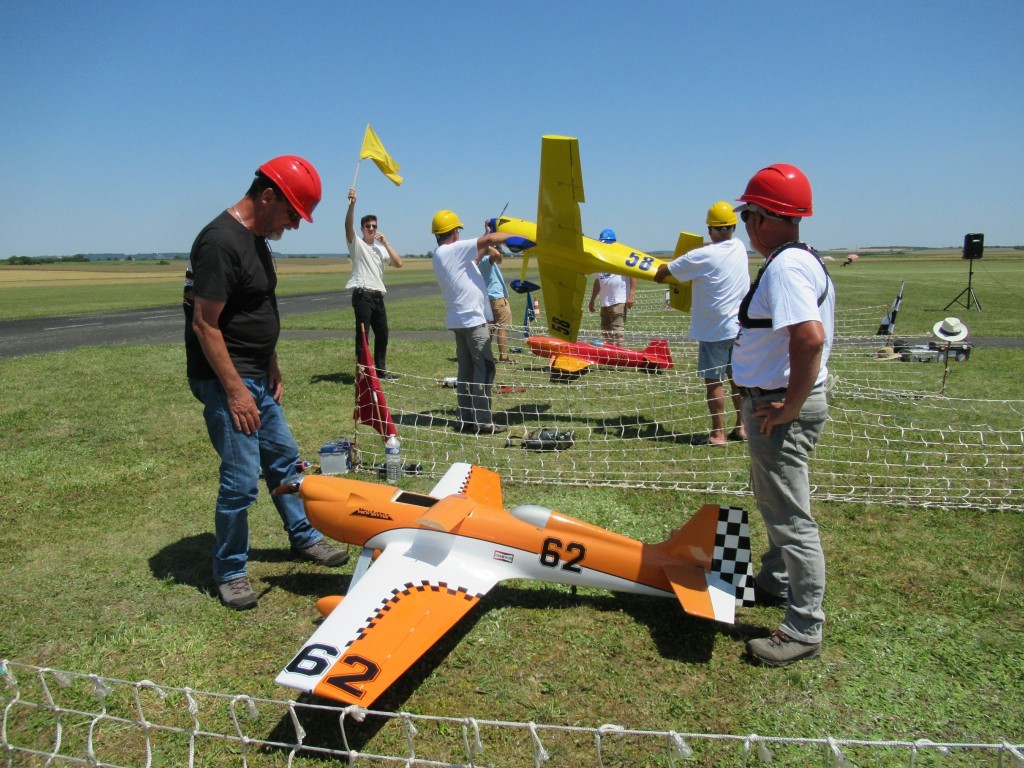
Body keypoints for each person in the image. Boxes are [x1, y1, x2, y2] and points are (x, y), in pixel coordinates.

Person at [184, 156, 348, 611]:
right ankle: (231, 569)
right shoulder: (220, 242)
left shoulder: (256, 241)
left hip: (257, 374)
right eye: (293, 213)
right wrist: (236, 390)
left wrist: (270, 360)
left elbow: (255, 310)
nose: (295, 224)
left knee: (285, 461)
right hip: (227, 381)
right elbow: (205, 324)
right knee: (240, 483)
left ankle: (303, 535)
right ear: (267, 195)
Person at [731, 163, 834, 666]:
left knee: (791, 516)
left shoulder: (787, 267)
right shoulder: (799, 259)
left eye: (749, 214)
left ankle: (803, 627)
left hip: (777, 407)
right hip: (772, 402)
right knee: (773, 500)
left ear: (766, 216)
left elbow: (809, 338)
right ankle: (772, 581)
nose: (747, 226)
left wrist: (788, 406)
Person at [655, 202, 750, 446]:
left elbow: (662, 273)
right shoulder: (739, 247)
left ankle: (718, 433)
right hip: (740, 328)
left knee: (714, 382)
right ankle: (742, 428)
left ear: (710, 228)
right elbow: (717, 250)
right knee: (737, 380)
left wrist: (673, 263)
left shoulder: (702, 255)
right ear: (733, 227)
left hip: (714, 330)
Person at [431, 210, 519, 434]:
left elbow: (477, 256)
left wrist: (487, 234)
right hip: (472, 320)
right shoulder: (451, 250)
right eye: (457, 231)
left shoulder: (443, 254)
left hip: (460, 320)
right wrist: (514, 236)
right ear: (453, 233)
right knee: (485, 368)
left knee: (466, 371)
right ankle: (482, 421)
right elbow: (489, 241)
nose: (459, 235)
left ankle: (465, 418)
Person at [345, 188, 403, 379]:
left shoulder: (380, 249)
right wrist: (352, 205)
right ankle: (362, 373)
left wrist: (386, 243)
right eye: (368, 226)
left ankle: (380, 371)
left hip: (378, 297)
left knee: (383, 334)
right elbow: (347, 225)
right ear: (362, 228)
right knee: (363, 336)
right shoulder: (357, 245)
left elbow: (398, 263)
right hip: (363, 295)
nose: (372, 229)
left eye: (374, 226)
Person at [588, 229, 636, 344]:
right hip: (604, 302)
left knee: (617, 331)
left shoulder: (622, 257)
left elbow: (632, 275)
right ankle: (610, 356)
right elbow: (597, 281)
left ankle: (619, 356)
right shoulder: (600, 259)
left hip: (618, 300)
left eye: (608, 242)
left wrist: (631, 295)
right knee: (606, 332)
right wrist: (592, 300)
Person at [478, 241, 512, 363]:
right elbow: (496, 256)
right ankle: (503, 356)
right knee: (502, 327)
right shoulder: (487, 260)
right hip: (497, 299)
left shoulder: (482, 261)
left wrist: (488, 240)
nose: (500, 254)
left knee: (490, 328)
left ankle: (486, 355)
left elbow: (498, 258)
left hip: (488, 299)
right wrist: (488, 244)